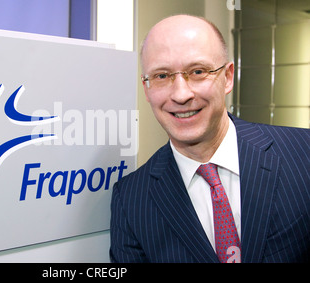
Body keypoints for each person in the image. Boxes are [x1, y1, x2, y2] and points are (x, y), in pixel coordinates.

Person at [110, 14, 309, 263]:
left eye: (197, 71)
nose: (181, 94)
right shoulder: (130, 200)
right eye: (161, 76)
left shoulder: (304, 153)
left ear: (227, 77)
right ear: (146, 88)